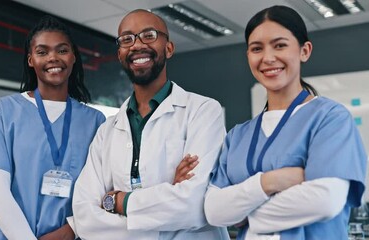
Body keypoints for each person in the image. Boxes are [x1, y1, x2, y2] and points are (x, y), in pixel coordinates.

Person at [204, 5, 367, 240]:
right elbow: (214, 211)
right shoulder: (237, 136)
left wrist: (247, 215)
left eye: (280, 45)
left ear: (304, 51)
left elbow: (325, 201)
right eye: (256, 48)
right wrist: (270, 182)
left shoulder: (330, 118)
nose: (268, 58)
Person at [70, 9, 229, 239]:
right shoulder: (107, 131)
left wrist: (117, 200)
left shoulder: (202, 111)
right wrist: (168, 199)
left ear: (169, 48)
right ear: (120, 54)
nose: (136, 45)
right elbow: (85, 218)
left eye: (149, 35)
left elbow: (195, 204)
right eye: (127, 39)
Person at [0, 15, 105, 240]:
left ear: (74, 57)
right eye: (42, 52)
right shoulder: (3, 112)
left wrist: (70, 231)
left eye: (62, 50)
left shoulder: (96, 121)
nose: (53, 58)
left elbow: (100, 192)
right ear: (30, 60)